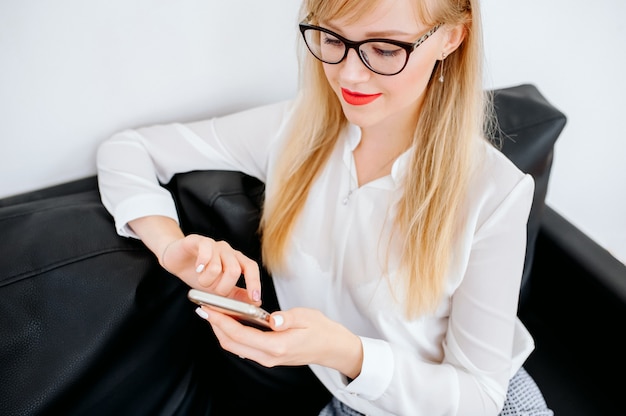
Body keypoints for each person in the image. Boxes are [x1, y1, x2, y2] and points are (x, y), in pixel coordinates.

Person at [96, 0, 554, 414]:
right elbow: (128, 149)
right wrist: (170, 246)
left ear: (452, 38)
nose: (349, 75)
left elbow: (479, 397)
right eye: (333, 38)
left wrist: (347, 353)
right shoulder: (292, 131)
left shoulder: (495, 192)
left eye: (387, 50)